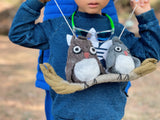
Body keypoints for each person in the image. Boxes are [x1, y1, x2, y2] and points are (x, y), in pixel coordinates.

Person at [9, 0, 160, 119]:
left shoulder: (120, 32)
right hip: (64, 114)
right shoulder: (58, 27)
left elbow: (151, 54)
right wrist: (36, 2)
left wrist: (146, 16)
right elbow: (19, 34)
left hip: (109, 115)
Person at [37, 0, 120, 120]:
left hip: (102, 17)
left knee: (107, 84)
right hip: (59, 14)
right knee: (60, 84)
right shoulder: (56, 26)